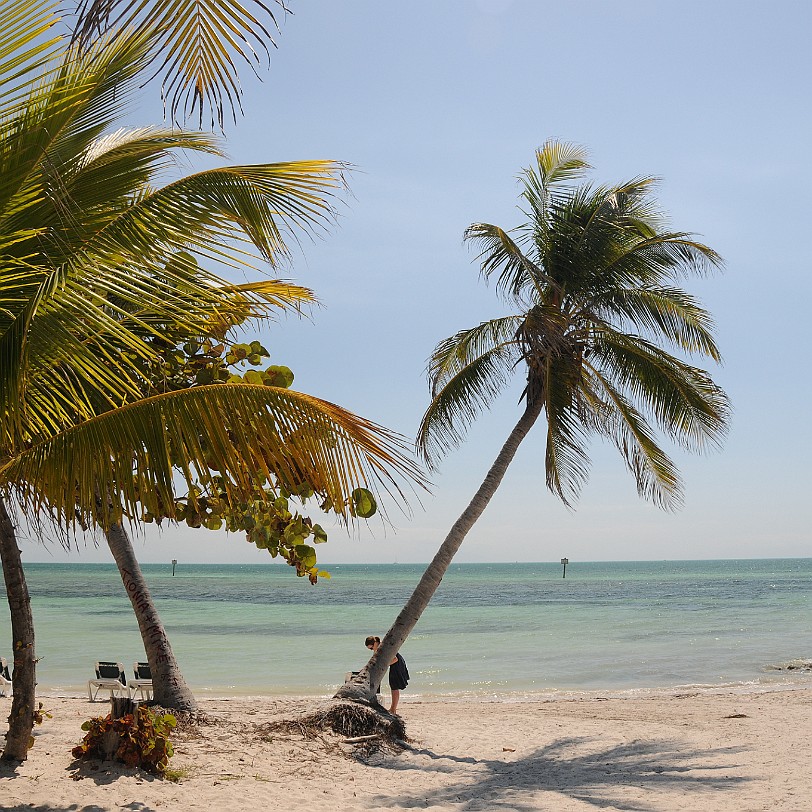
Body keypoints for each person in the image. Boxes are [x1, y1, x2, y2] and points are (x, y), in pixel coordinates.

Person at [365, 635, 409, 715]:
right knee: (393, 686)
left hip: (397, 663)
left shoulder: (384, 647)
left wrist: (384, 666)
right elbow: (374, 661)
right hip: (395, 664)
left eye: (371, 648)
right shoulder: (379, 648)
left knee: (394, 686)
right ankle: (393, 709)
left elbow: (395, 659)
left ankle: (393, 709)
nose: (372, 650)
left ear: (375, 643)